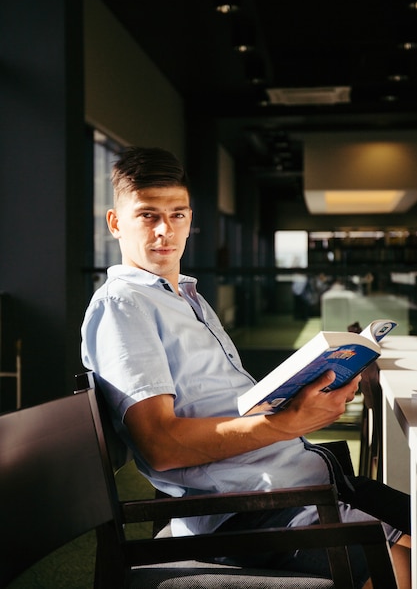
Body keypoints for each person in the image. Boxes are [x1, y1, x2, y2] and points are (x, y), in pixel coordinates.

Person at [81, 146, 411, 589]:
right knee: (403, 564)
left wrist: (300, 394)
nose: (165, 230)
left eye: (177, 214)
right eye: (147, 215)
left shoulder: (186, 296)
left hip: (301, 477)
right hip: (248, 510)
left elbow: (218, 402)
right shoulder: (123, 305)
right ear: (116, 223)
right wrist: (287, 423)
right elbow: (161, 445)